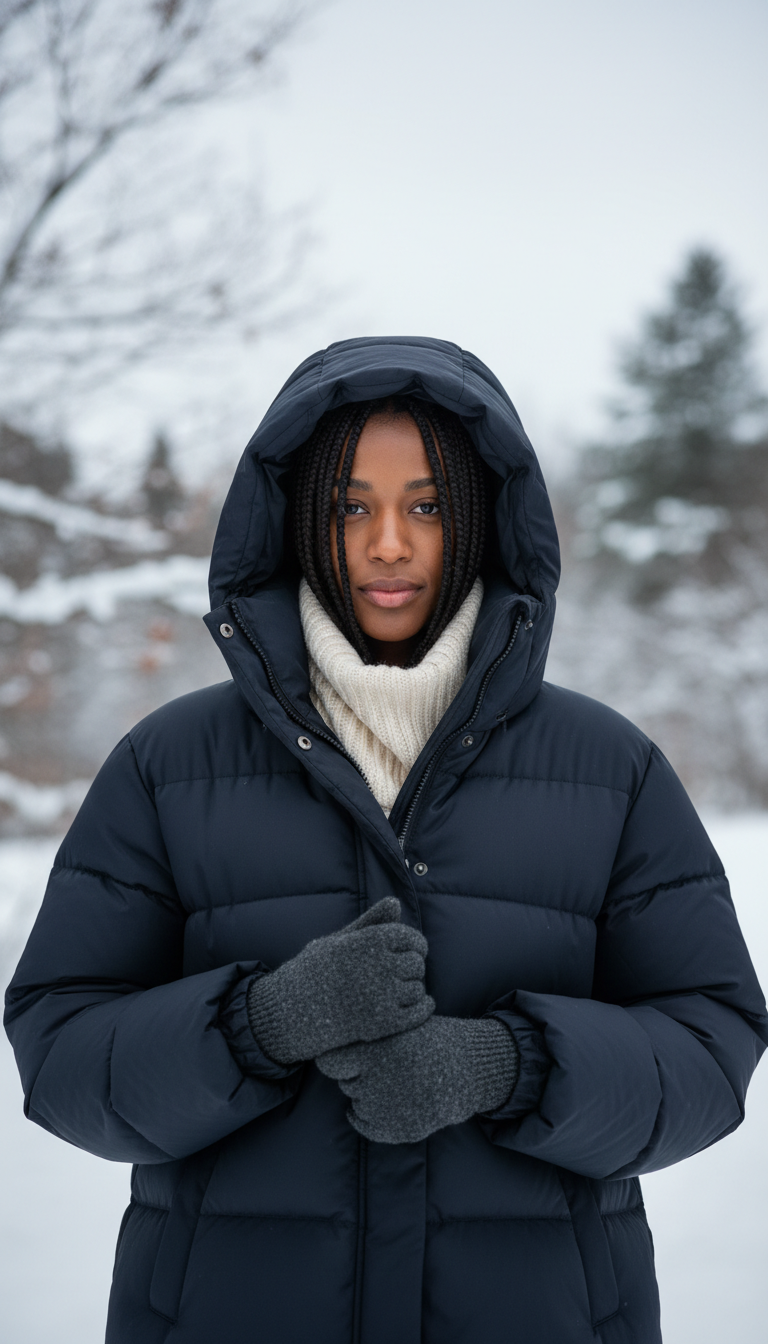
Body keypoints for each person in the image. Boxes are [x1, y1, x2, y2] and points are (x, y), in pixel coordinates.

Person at [5, 336, 767, 1344]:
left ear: (484, 520)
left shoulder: (610, 768)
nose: (390, 545)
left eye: (429, 506)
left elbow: (710, 1048)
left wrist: (508, 1066)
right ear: (295, 522)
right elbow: (63, 1055)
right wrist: (261, 1024)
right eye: (350, 507)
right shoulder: (168, 763)